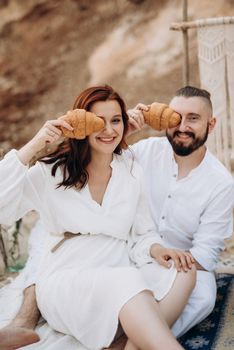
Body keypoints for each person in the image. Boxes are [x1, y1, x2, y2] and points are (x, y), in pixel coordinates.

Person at [0, 85, 196, 350]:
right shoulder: (52, 172)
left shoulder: (131, 169)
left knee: (184, 269)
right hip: (66, 276)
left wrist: (159, 248)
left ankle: (131, 346)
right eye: (99, 122)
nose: (109, 130)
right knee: (126, 281)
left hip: (117, 263)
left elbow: (142, 232)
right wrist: (34, 146)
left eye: (116, 120)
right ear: (82, 125)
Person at [128, 85, 234, 337]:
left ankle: (137, 340)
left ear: (211, 124)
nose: (182, 126)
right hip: (129, 248)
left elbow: (205, 254)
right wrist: (127, 132)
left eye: (193, 118)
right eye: (176, 117)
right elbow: (98, 167)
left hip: (180, 266)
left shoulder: (222, 183)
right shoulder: (146, 150)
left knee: (205, 297)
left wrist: (167, 260)